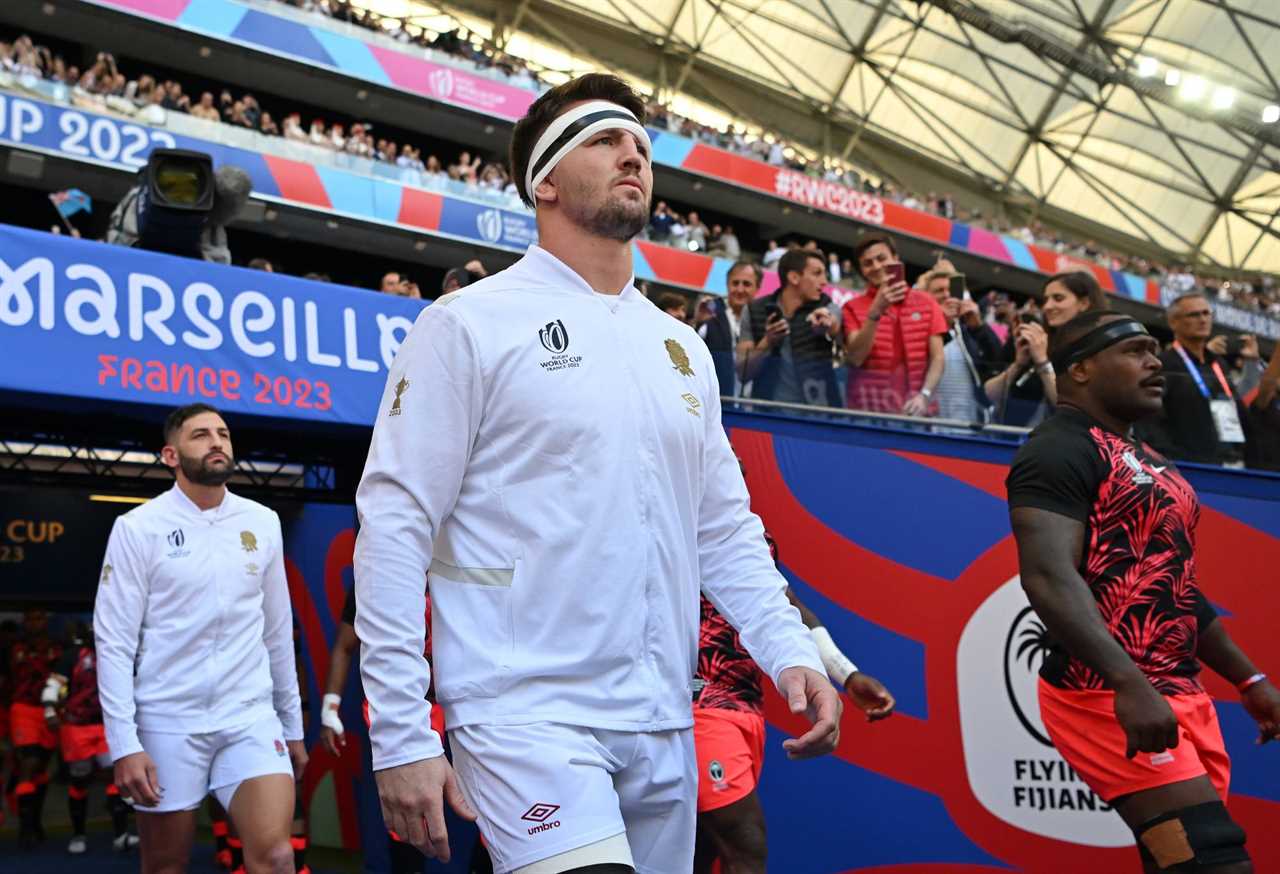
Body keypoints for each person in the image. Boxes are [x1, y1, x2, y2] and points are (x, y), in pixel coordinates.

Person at [354, 73, 838, 874]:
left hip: (662, 717)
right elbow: (396, 527)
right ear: (543, 180)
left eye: (641, 146)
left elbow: (721, 527)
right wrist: (401, 732)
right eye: (604, 140)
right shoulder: (466, 324)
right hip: (523, 716)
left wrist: (789, 650)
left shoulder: (679, 346)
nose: (632, 154)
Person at [1007, 311, 1280, 873]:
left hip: (1178, 688)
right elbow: (1047, 576)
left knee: (1180, 860)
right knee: (1210, 859)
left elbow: (1176, 587)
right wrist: (1127, 683)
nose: (1155, 362)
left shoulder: (1155, 462)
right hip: (1100, 690)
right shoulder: (1056, 448)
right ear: (1080, 369)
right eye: (1134, 350)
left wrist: (1249, 680)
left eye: (1155, 350)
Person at [94, 403, 306, 873]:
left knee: (275, 854)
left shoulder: (262, 521)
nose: (217, 442)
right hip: (168, 719)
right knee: (166, 865)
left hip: (249, 716)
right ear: (171, 455)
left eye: (224, 434)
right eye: (201, 435)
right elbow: (113, 641)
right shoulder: (136, 528)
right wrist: (124, 742)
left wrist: (291, 726)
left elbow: (277, 631)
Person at [693, 533, 894, 874]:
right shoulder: (666, 514)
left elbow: (786, 606)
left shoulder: (746, 531)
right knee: (745, 842)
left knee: (701, 851)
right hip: (696, 707)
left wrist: (846, 674)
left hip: (744, 710)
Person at [43, 622, 138, 854]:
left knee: (115, 776)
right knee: (79, 779)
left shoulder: (115, 655)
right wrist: (49, 711)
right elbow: (53, 685)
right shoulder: (72, 656)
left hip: (105, 726)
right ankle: (78, 834)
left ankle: (121, 834)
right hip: (76, 727)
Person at [1137, 293, 1253, 467]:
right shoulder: (1163, 365)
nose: (1203, 319)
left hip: (1232, 464)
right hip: (1189, 469)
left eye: (1206, 313)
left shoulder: (1219, 364)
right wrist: (1174, 461)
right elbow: (1150, 424)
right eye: (1194, 314)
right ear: (1173, 322)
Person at [841, 234, 947, 416]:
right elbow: (856, 358)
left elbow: (938, 358)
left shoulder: (927, 303)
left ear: (895, 259)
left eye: (881, 259)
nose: (876, 266)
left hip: (917, 413)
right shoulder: (851, 307)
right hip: (868, 411)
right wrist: (875, 312)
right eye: (867, 263)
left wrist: (924, 395)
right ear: (861, 270)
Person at [986, 271, 1108, 427]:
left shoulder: (1099, 348)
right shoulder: (1041, 342)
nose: (1048, 306)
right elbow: (989, 394)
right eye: (1046, 300)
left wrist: (1042, 362)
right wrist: (1018, 364)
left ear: (1084, 303)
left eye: (1058, 298)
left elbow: (1073, 407)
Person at [739, 247, 841, 408]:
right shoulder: (753, 310)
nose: (824, 281)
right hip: (767, 415)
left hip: (818, 414)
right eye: (817, 273)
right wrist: (767, 341)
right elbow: (742, 372)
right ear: (794, 277)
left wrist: (826, 325)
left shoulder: (827, 306)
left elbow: (834, 322)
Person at [921, 264, 1001, 425]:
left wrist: (979, 328)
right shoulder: (918, 327)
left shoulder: (968, 329)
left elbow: (998, 360)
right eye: (939, 291)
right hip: (930, 423)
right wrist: (942, 323)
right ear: (926, 297)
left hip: (970, 425)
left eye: (950, 290)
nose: (946, 295)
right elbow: (922, 361)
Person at [9, 608, 60, 849]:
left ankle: (36, 822)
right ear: (24, 622)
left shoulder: (57, 647)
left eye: (39, 617)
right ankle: (25, 827)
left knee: (41, 767)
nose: (35, 622)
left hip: (48, 711)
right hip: (22, 709)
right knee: (28, 763)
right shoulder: (12, 647)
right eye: (30, 618)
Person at [698, 261, 758, 397]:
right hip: (717, 402)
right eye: (735, 283)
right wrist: (699, 323)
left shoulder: (764, 320)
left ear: (758, 288)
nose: (740, 289)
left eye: (747, 284)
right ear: (727, 285)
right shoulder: (711, 313)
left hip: (751, 406)